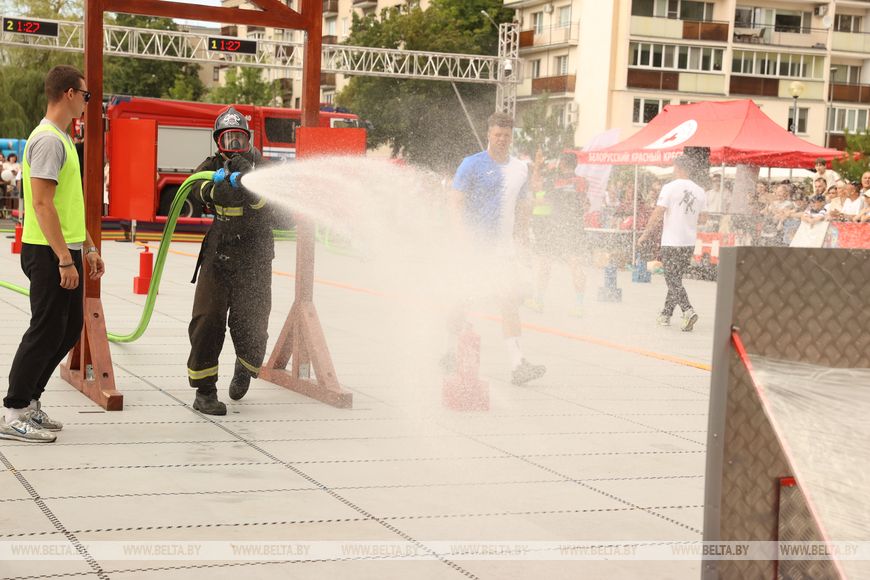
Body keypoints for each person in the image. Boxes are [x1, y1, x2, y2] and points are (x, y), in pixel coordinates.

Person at [1, 65, 105, 443]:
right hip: (48, 252)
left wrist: (88, 247)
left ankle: (30, 402)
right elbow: (43, 205)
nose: (87, 102)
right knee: (45, 331)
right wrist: (64, 259)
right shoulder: (47, 140)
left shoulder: (61, 139)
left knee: (66, 331)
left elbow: (69, 205)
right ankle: (12, 410)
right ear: (69, 94)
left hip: (67, 248)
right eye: (86, 95)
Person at [185, 106, 277, 415]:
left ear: (249, 140)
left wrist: (253, 189)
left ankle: (245, 367)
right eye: (228, 140)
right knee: (207, 319)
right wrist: (213, 189)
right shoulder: (212, 166)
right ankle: (205, 391)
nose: (234, 147)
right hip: (219, 251)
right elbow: (194, 187)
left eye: (239, 139)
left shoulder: (263, 168)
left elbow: (284, 215)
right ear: (218, 142)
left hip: (255, 253)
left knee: (252, 319)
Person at [450, 112, 546, 386]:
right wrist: (460, 237)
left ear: (511, 137)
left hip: (504, 249)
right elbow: (455, 202)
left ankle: (518, 364)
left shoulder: (520, 169)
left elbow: (524, 206)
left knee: (509, 299)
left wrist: (523, 239)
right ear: (488, 135)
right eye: (497, 135)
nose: (502, 140)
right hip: (475, 244)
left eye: (506, 136)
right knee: (463, 298)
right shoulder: (472, 165)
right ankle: (449, 347)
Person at [638, 155, 707, 332]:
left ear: (677, 167)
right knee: (676, 279)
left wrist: (645, 234)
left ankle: (688, 310)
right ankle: (666, 315)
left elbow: (658, 212)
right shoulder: (700, 191)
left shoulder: (669, 188)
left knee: (672, 279)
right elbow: (704, 218)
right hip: (689, 241)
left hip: (671, 240)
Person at [526, 152, 588, 316]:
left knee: (545, 263)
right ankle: (579, 306)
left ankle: (538, 301)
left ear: (561, 164)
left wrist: (538, 168)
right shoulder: (581, 182)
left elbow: (538, 192)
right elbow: (584, 203)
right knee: (576, 265)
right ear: (575, 165)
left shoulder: (555, 182)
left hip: (554, 227)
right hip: (575, 227)